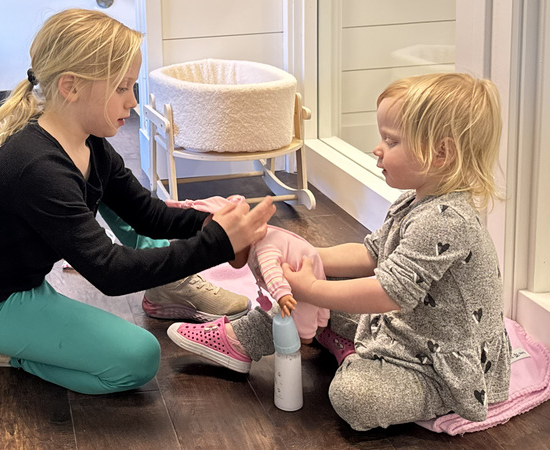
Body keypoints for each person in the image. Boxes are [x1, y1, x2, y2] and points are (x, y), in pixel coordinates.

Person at [0, 9, 275, 395]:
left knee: (131, 349)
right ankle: (0, 355)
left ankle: (16, 342)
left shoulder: (90, 143)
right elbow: (110, 272)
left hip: (17, 283)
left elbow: (148, 215)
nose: (132, 101)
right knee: (138, 359)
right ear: (71, 87)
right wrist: (217, 244)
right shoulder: (37, 167)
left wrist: (212, 222)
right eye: (121, 88)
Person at [167, 72, 512, 430]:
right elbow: (371, 254)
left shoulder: (445, 221)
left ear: (440, 153)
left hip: (439, 364)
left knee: (351, 396)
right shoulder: (415, 200)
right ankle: (243, 340)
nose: (378, 148)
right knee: (314, 282)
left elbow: (387, 292)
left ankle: (361, 359)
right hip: (405, 328)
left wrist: (310, 289)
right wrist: (305, 257)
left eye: (391, 141)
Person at [166, 195, 330, 342]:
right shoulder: (253, 242)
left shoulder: (263, 250)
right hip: (309, 258)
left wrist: (282, 295)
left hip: (302, 269)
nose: (227, 260)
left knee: (305, 306)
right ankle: (323, 322)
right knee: (320, 303)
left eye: (229, 253)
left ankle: (306, 335)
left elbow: (272, 272)